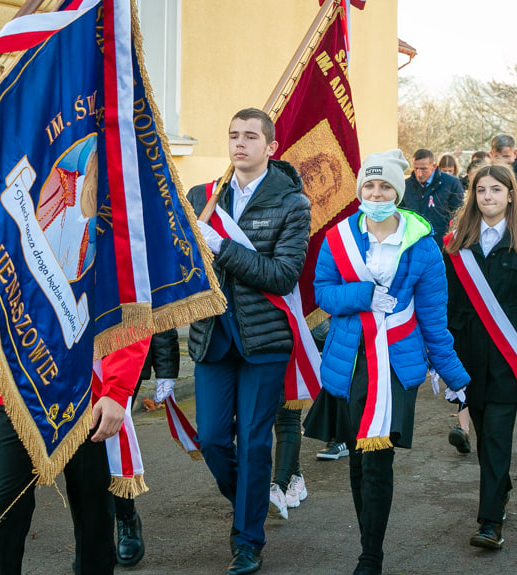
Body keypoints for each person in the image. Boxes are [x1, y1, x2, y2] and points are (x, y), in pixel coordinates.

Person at [304, 149, 469, 575]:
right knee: (359, 461)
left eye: (385, 187)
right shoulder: (338, 237)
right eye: (369, 186)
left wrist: (453, 376)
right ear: (361, 190)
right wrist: (362, 296)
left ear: (398, 191)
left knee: (378, 460)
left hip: (395, 364)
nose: (376, 193)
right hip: (349, 362)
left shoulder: (424, 246)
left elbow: (434, 317)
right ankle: (368, 538)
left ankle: (370, 555)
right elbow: (322, 293)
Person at [189, 107, 311, 575]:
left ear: (270, 147)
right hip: (211, 338)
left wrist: (219, 245)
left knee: (256, 443)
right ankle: (251, 498)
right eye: (233, 135)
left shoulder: (291, 203)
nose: (239, 144)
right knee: (215, 439)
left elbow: (281, 276)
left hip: (264, 340)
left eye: (250, 137)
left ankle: (247, 540)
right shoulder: (202, 196)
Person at [445, 163, 517, 550]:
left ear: (510, 194)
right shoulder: (457, 243)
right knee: (485, 436)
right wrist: (442, 360)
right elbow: (451, 306)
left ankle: (490, 522)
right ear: (473, 196)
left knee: (495, 437)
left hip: (510, 359)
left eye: (495, 189)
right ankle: (501, 488)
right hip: (470, 358)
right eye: (481, 190)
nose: (488, 197)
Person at [0, 337, 150, 575]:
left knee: (93, 511)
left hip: (83, 393)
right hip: (14, 390)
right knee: (4, 510)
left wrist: (117, 389)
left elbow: (128, 308)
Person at [113, 328, 180, 567]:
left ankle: (126, 518)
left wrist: (166, 369)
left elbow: (156, 304)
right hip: (73, 352)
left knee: (113, 440)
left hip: (125, 350)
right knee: (85, 448)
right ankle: (91, 532)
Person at [401, 148, 465, 251]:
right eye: (416, 168)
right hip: (413, 244)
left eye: (424, 169)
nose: (419, 173)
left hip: (442, 245)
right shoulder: (405, 186)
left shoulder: (451, 183)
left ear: (434, 166)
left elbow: (459, 214)